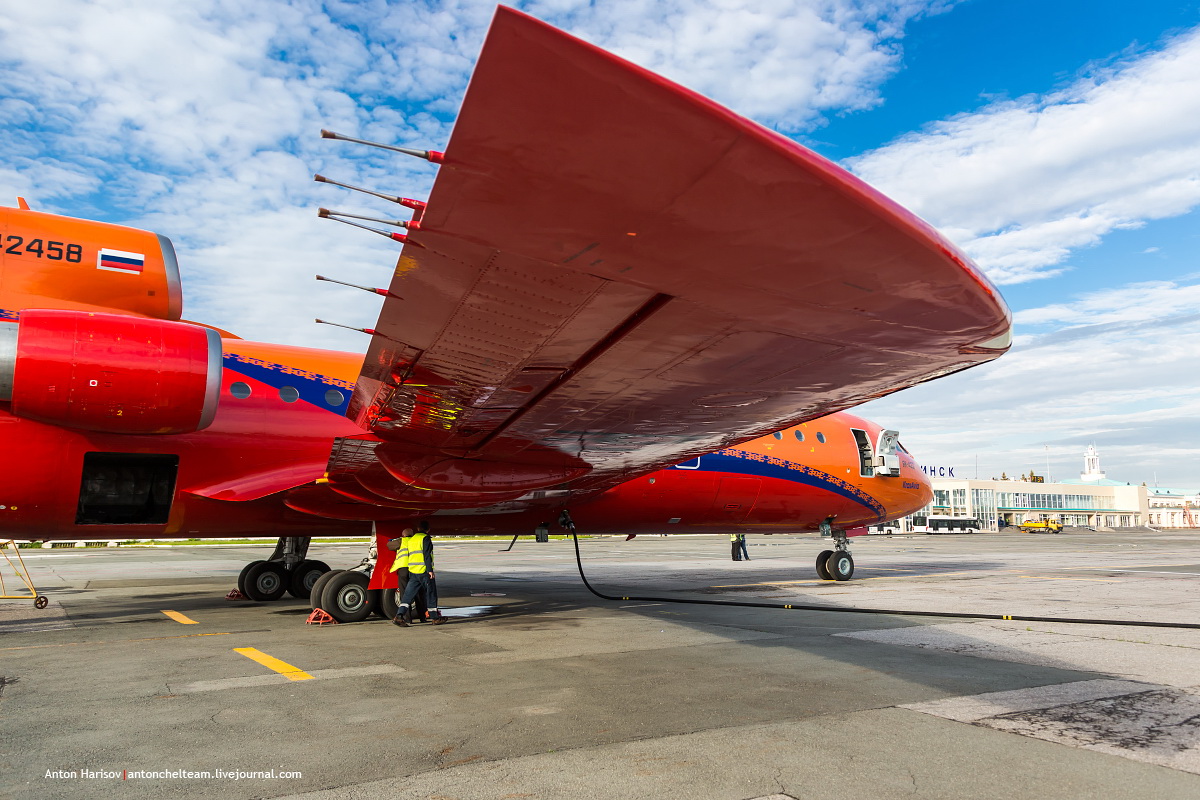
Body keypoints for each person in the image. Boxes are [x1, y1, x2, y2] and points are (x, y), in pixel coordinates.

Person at [395, 520, 446, 626]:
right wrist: (430, 571)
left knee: (408, 596)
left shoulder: (412, 539)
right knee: (431, 593)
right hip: (424, 571)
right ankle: (434, 617)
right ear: (428, 529)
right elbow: (427, 555)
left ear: (417, 529)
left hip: (413, 571)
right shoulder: (425, 538)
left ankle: (399, 616)